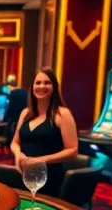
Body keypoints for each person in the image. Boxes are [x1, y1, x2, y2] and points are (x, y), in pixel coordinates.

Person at [10, 67, 79, 196]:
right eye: (38, 83)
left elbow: (72, 151)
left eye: (47, 82)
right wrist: (18, 155)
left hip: (49, 177)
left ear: (54, 87)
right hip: (23, 173)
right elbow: (15, 142)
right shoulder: (25, 113)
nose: (42, 86)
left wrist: (39, 161)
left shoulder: (62, 114)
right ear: (32, 87)